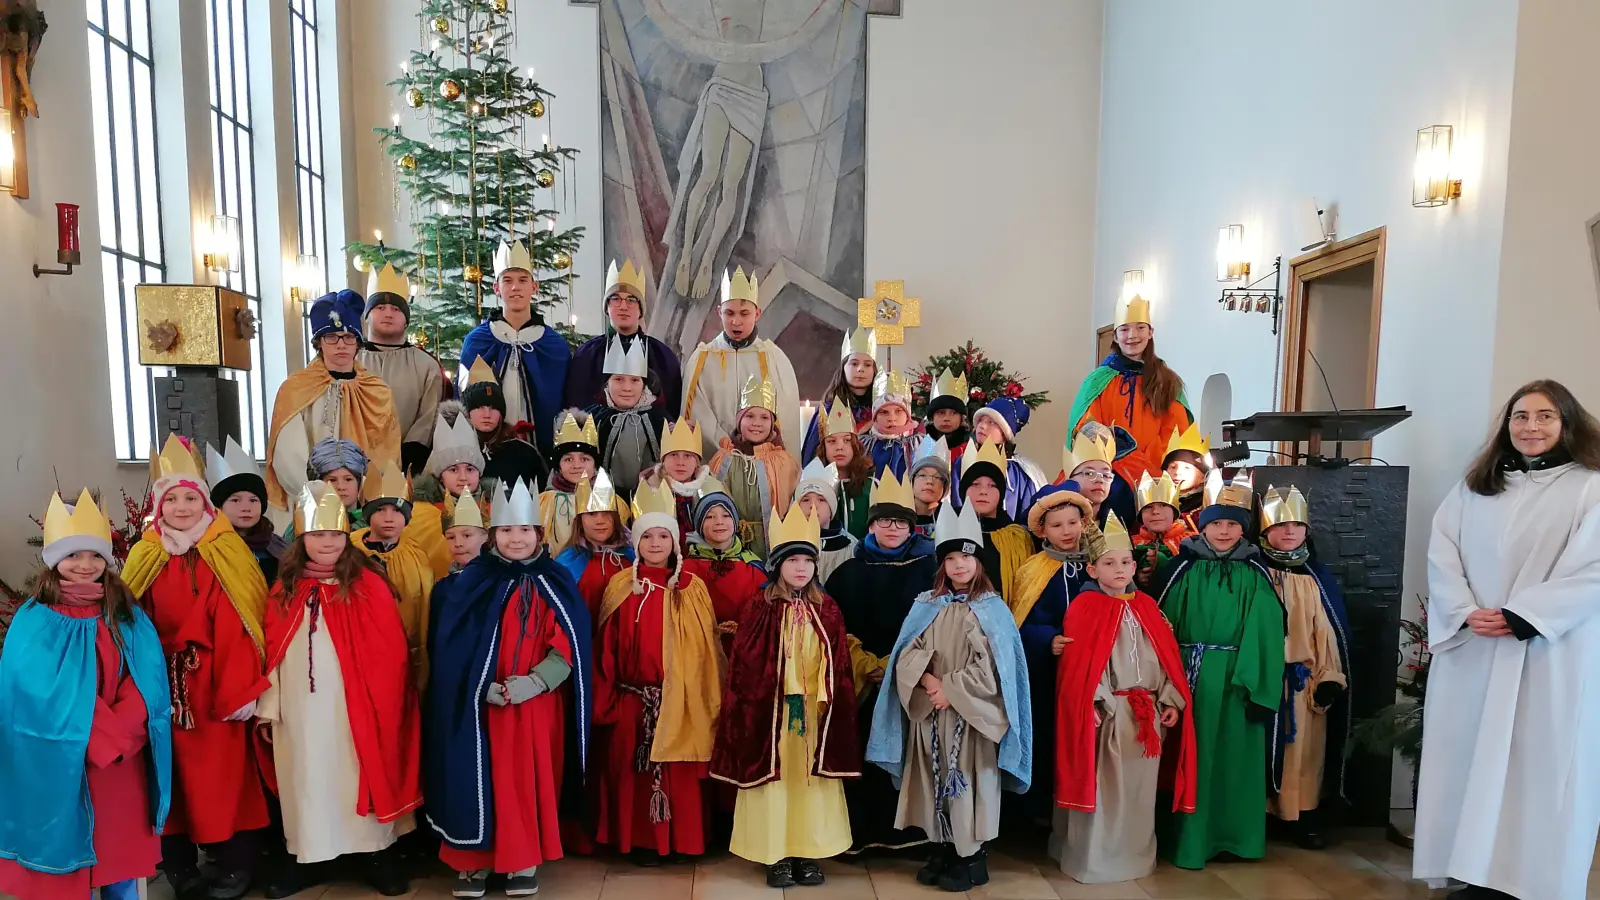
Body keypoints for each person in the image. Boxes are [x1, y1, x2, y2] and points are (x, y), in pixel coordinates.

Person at [1413, 380, 1600, 900]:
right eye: (1521, 416)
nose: (1531, 427)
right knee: (1468, 756)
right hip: (1477, 647)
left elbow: (1595, 568)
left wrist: (1526, 615)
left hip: (1549, 652)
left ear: (1567, 422)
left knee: (1538, 762)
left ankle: (1533, 880)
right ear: (1507, 425)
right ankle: (1470, 871)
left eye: (1545, 416)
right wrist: (1465, 611)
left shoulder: (1590, 485)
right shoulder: (1477, 486)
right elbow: (1442, 548)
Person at [0, 491, 172, 900]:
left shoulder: (125, 613)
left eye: (95, 556)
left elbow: (147, 679)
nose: (85, 565)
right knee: (64, 857)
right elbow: (38, 689)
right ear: (54, 560)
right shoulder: (34, 619)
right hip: (60, 760)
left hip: (119, 763)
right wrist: (100, 739)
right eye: (74, 555)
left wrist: (121, 738)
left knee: (118, 857)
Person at [425, 480, 592, 899]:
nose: (515, 539)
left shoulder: (556, 580)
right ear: (492, 536)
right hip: (478, 707)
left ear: (538, 534)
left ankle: (521, 860)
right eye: (506, 531)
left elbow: (570, 642)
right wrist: (480, 687)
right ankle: (472, 862)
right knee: (476, 776)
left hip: (534, 707)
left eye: (524, 531)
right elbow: (452, 647)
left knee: (524, 780)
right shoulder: (471, 582)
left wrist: (536, 682)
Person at [121, 436, 270, 899]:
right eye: (172, 499)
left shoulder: (226, 548)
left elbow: (241, 619)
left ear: (205, 501)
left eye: (190, 497)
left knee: (225, 776)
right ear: (158, 505)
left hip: (212, 682)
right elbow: (127, 619)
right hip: (158, 683)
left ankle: (233, 865)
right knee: (166, 774)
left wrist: (237, 687)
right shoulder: (146, 552)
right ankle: (179, 866)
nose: (182, 507)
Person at [255, 483, 420, 898]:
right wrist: (270, 708)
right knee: (307, 778)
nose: (325, 542)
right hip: (300, 711)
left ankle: (376, 855)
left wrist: (377, 700)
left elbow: (391, 653)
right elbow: (271, 654)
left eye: (333, 535)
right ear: (301, 539)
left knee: (356, 774)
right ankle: (309, 857)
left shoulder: (369, 585)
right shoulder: (285, 589)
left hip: (357, 709)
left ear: (346, 538)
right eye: (316, 535)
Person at [865, 500, 1031, 893]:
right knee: (931, 780)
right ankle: (940, 845)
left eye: (966, 559)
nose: (959, 566)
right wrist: (927, 683)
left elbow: (996, 668)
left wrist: (950, 689)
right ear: (941, 564)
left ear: (979, 564)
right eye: (951, 559)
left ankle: (969, 856)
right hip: (930, 716)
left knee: (970, 782)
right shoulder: (926, 604)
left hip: (973, 720)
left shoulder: (992, 609)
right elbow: (906, 653)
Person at [714, 506, 858, 888]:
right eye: (792, 560)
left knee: (810, 783)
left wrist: (825, 693)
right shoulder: (759, 607)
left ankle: (808, 852)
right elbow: (746, 666)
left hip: (813, 713)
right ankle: (775, 854)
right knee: (774, 783)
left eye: (807, 561)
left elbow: (838, 662)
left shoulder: (827, 609)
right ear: (778, 565)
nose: (800, 568)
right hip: (773, 715)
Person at [1152, 469, 1284, 870]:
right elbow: (1161, 625)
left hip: (1235, 679)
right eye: (1216, 524)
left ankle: (1236, 838)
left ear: (1243, 531)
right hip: (1188, 679)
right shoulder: (1181, 569)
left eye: (1232, 524)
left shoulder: (1254, 573)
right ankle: (1188, 841)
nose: (1224, 532)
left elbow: (1265, 630)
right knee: (1190, 759)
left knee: (1233, 762)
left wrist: (1254, 683)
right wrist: (1165, 680)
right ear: (1203, 527)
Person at [1052, 513, 1195, 884]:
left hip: (1147, 715)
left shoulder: (1148, 607)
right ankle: (1096, 859)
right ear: (1092, 568)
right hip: (1111, 714)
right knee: (1103, 790)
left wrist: (1169, 701)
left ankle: (1134, 855)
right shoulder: (1085, 608)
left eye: (1126, 562)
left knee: (1138, 793)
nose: (1120, 569)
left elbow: (1166, 660)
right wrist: (1098, 703)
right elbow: (1082, 667)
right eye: (1109, 563)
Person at [592, 482, 724, 865]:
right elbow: (606, 648)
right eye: (647, 535)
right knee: (634, 772)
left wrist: (702, 699)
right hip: (634, 701)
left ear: (675, 541)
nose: (654, 543)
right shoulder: (621, 586)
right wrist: (609, 702)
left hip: (682, 702)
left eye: (662, 535)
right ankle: (644, 843)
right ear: (636, 541)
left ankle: (684, 841)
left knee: (680, 776)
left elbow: (708, 651)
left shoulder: (692, 587)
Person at [824, 470, 937, 854]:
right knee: (861, 752)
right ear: (871, 526)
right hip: (861, 679)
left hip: (910, 676)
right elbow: (834, 625)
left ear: (912, 528)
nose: (893, 528)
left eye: (901, 522)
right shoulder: (847, 572)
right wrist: (863, 661)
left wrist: (895, 664)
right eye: (884, 521)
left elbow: (937, 625)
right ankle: (860, 832)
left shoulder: (930, 571)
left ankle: (910, 832)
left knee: (909, 753)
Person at [1257, 485, 1350, 850]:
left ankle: (1302, 818)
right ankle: (1261, 816)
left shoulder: (1315, 577)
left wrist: (1329, 676)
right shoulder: (1255, 571)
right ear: (1265, 532)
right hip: (1264, 677)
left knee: (1304, 754)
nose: (1289, 532)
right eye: (1280, 526)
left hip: (1303, 681)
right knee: (1262, 751)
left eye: (1296, 525)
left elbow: (1328, 633)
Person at [267, 289, 401, 518]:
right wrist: (318, 496)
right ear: (319, 342)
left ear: (358, 343)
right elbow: (288, 455)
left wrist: (374, 496)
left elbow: (389, 452)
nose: (341, 345)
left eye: (349, 337)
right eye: (332, 337)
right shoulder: (296, 389)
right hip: (314, 506)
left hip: (367, 507)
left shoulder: (378, 390)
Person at [1007, 482, 1096, 823]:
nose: (1066, 531)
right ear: (1043, 530)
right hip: (1049, 673)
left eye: (1072, 523)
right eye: (1057, 525)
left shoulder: (1099, 563)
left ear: (1084, 522)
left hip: (1093, 669)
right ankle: (1043, 812)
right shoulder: (1033, 569)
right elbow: (1020, 621)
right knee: (1050, 736)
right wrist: (1046, 639)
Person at [459, 239, 573, 453]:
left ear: (534, 287)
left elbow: (563, 401)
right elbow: (465, 399)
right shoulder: (477, 341)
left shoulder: (554, 345)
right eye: (507, 280)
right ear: (496, 288)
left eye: (522, 280)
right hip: (488, 451)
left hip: (541, 448)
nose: (515, 287)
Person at [1067, 294, 1192, 486]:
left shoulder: (1167, 381)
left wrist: (1145, 464)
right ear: (1115, 336)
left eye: (1140, 327)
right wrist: (1120, 460)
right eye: (1124, 329)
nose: (1132, 335)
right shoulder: (1097, 381)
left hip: (1155, 476)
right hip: (1108, 475)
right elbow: (1087, 429)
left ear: (1150, 332)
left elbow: (1176, 431)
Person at [681, 268, 801, 461]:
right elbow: (698, 414)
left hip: (764, 464)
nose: (736, 321)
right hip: (715, 462)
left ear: (757, 314)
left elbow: (786, 421)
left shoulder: (774, 359)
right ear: (719, 312)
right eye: (729, 313)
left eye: (744, 313)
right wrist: (727, 447)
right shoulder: (702, 359)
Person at [350, 461, 437, 690]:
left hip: (404, 652)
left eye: (397, 510)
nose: (389, 518)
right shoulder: (350, 551)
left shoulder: (416, 555)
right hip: (361, 650)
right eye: (380, 510)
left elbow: (423, 605)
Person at [564, 259, 683, 414]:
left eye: (631, 300)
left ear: (641, 309)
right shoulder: (586, 355)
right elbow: (576, 407)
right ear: (607, 307)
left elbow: (672, 411)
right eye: (615, 299)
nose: (623, 306)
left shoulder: (663, 357)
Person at [359, 264, 444, 475]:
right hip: (355, 466)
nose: (388, 313)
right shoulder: (349, 359)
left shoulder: (425, 365)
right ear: (367, 315)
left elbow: (429, 415)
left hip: (408, 467)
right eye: (380, 307)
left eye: (396, 309)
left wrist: (408, 455)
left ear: (406, 320)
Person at [706, 376, 800, 558]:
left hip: (772, 542)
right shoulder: (723, 458)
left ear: (772, 424)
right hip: (730, 543)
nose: (757, 423)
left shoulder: (782, 461)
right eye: (749, 416)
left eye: (764, 417)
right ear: (739, 421)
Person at [683, 478, 767, 653]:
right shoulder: (686, 569)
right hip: (698, 652)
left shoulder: (752, 567)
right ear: (699, 525)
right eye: (710, 516)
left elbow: (764, 615)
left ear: (735, 522)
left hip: (743, 651)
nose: (719, 522)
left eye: (726, 515)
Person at [586, 336, 668, 501]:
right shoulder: (593, 419)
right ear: (606, 383)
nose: (627, 388)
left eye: (635, 380)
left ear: (644, 384)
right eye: (618, 379)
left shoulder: (659, 419)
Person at [956, 439, 1034, 602]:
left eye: (992, 486)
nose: (983, 491)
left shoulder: (1016, 536)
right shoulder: (950, 530)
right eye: (975, 484)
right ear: (964, 491)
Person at [553, 470, 635, 620]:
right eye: (592, 514)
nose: (600, 521)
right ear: (580, 520)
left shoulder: (631, 557)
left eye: (606, 513)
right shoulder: (567, 562)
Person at [950, 397, 1046, 520]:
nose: (982, 426)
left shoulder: (1021, 473)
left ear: (1006, 433)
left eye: (991, 422)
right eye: (981, 420)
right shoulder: (962, 463)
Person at [459, 359, 549, 490]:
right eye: (479, 407)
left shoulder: (524, 453)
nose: (487, 414)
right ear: (467, 412)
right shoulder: (455, 450)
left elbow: (543, 495)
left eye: (493, 408)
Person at [209, 437, 287, 584]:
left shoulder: (278, 547)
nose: (246, 508)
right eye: (235, 500)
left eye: (253, 500)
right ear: (219, 507)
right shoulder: (209, 548)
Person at [799, 327, 878, 465]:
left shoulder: (881, 411)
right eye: (854, 363)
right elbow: (813, 458)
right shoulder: (828, 411)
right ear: (843, 368)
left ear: (874, 370)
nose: (860, 369)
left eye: (867, 364)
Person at [639, 418, 714, 548]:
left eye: (687, 456)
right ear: (663, 461)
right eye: (673, 455)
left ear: (697, 462)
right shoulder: (649, 491)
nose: (680, 462)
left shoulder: (711, 491)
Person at [540, 411, 601, 552]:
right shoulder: (543, 503)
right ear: (559, 467)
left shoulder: (612, 503)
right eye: (568, 459)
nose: (577, 465)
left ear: (595, 465)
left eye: (585, 459)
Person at [815, 404, 873, 540]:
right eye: (831, 441)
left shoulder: (871, 486)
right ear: (823, 448)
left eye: (847, 440)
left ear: (855, 446)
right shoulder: (813, 487)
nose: (839, 447)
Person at [793, 460, 856, 584]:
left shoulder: (850, 546)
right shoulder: (787, 543)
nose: (813, 506)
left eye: (821, 500)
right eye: (805, 500)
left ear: (832, 508)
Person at [1062, 430, 1138, 530]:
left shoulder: (1118, 526)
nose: (1099, 480)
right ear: (1071, 479)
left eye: (1106, 475)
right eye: (1089, 473)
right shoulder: (1057, 524)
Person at [1132, 471, 1194, 590]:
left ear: (1174, 512)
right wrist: (1135, 578)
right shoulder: (1130, 544)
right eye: (1148, 507)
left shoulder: (1192, 542)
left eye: (1163, 505)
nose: (1155, 511)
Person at [860, 370, 923, 479]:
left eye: (898, 411)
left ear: (907, 414)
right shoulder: (862, 444)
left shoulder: (923, 442)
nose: (891, 418)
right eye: (884, 412)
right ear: (875, 416)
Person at [303, 436, 370, 533]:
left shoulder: (376, 524)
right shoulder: (304, 525)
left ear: (359, 482)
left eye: (348, 479)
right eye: (332, 480)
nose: (341, 487)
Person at [1162, 424, 1210, 531]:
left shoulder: (1206, 504)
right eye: (1173, 467)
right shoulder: (1156, 500)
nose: (1177, 472)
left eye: (1187, 468)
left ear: (1202, 477)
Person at [922, 369, 972, 468]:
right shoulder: (921, 445)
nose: (946, 418)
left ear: (962, 418)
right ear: (932, 417)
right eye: (941, 413)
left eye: (953, 413)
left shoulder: (969, 447)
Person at [910, 436, 952, 537]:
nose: (930, 481)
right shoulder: (898, 516)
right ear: (912, 481)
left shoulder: (951, 518)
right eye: (923, 475)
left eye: (937, 477)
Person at [442, 488, 489, 573]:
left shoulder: (501, 581)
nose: (458, 544)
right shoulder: (445, 583)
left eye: (467, 535)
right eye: (451, 537)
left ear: (486, 537)